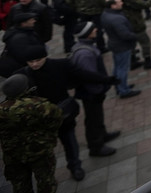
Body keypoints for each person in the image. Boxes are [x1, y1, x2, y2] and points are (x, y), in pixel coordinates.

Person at [20, 45, 115, 181]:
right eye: (30, 62)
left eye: (38, 60)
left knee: (70, 142)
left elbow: (82, 74)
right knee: (44, 149)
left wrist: (105, 79)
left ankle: (75, 166)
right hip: (41, 120)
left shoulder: (60, 65)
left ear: (45, 56)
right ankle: (46, 175)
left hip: (62, 115)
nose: (34, 64)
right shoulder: (23, 74)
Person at [0, 74, 63, 193]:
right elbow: (56, 119)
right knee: (46, 183)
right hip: (39, 151)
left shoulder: (1, 109)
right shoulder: (38, 105)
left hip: (13, 155)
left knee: (21, 186)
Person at [70, 21, 120, 156]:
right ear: (87, 33)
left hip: (94, 91)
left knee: (97, 117)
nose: (96, 30)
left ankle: (102, 135)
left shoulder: (85, 47)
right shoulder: (84, 53)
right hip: (91, 92)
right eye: (93, 29)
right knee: (93, 119)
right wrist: (100, 86)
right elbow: (89, 76)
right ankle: (96, 146)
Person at [100, 0, 141, 99]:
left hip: (115, 44)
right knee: (122, 69)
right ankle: (124, 90)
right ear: (113, 6)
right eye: (119, 2)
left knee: (117, 67)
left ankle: (120, 86)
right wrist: (136, 36)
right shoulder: (116, 19)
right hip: (122, 46)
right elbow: (125, 34)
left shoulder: (106, 14)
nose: (122, 3)